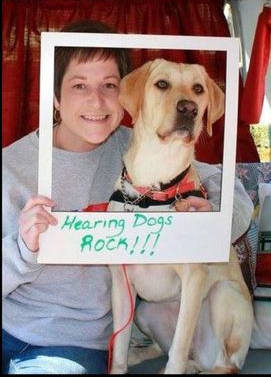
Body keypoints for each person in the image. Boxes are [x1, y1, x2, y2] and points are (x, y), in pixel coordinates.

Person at [2, 19, 254, 374]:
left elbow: (231, 189)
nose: (97, 100)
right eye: (79, 86)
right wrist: (23, 249)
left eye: (109, 85)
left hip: (73, 342)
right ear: (55, 97)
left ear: (125, 95)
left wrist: (214, 218)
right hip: (7, 325)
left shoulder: (140, 148)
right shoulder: (10, 165)